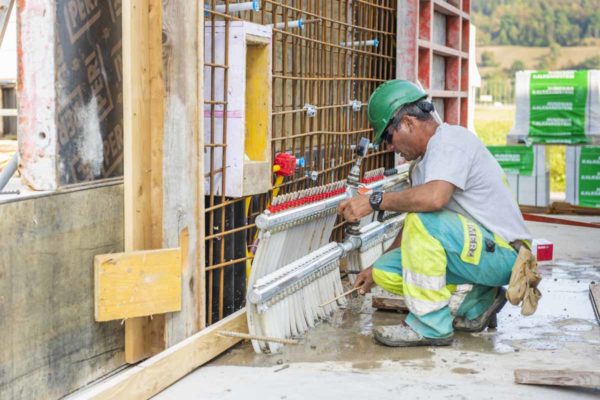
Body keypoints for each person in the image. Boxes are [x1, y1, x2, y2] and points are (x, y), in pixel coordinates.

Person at [338, 80, 531, 347]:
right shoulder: (421, 166)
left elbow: (433, 199)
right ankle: (479, 304)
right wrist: (374, 266)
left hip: (506, 254)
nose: (389, 147)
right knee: (386, 271)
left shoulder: (451, 141)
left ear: (407, 122)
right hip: (481, 251)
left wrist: (374, 200)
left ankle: (430, 326)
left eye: (387, 138)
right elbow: (415, 229)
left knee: (421, 219)